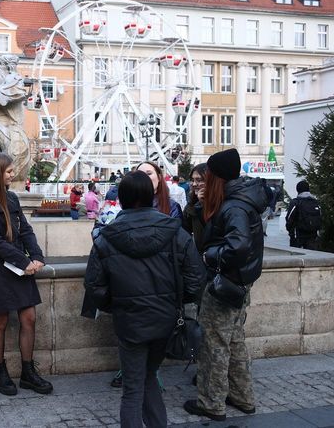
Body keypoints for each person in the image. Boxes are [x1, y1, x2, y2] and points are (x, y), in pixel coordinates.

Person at [85, 171, 204, 428]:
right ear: (151, 197)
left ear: (122, 199)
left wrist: (117, 304)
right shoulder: (174, 232)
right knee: (149, 376)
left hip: (130, 322)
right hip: (165, 320)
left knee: (132, 388)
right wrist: (177, 302)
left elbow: (94, 286)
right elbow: (196, 279)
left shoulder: (107, 237)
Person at [183, 148, 268, 421]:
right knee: (234, 342)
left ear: (217, 177)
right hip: (240, 283)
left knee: (214, 345)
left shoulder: (233, 206)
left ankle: (211, 403)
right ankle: (243, 398)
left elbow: (238, 246)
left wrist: (210, 255)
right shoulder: (241, 199)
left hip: (224, 285)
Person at [0, 152, 52, 396]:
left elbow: (26, 230)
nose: (12, 174)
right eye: (8, 171)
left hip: (19, 266)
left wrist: (37, 257)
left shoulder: (12, 198)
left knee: (29, 318)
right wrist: (23, 261)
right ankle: (1, 373)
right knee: (1, 320)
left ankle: (28, 373)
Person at [286, 180, 321, 250]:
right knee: (311, 255)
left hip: (299, 234)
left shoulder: (296, 202)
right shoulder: (315, 202)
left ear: (297, 190)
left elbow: (289, 218)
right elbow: (320, 216)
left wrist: (290, 232)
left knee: (296, 256)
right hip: (312, 234)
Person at [182, 163, 208, 253]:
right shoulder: (192, 203)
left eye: (199, 180)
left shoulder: (222, 204)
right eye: (192, 180)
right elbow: (184, 228)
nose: (194, 184)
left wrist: (203, 205)